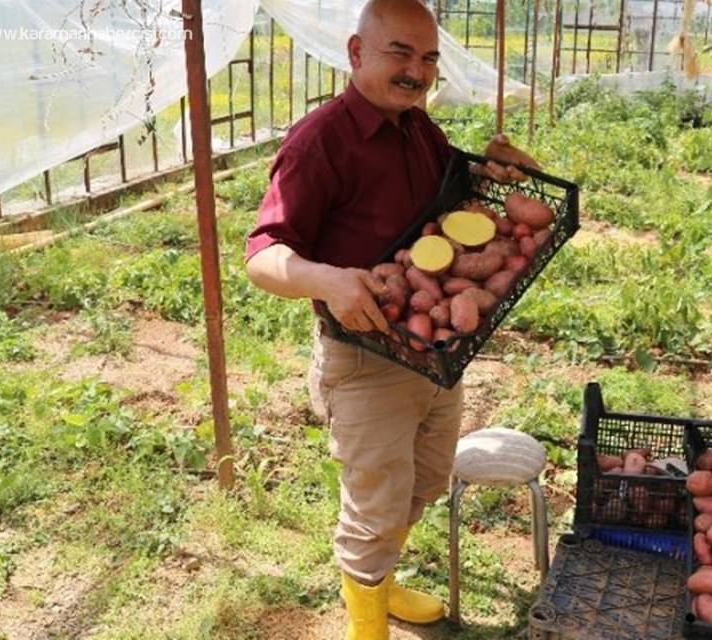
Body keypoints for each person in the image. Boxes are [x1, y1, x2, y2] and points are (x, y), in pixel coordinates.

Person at [243, 0, 537, 637]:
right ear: (356, 54)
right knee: (375, 506)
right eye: (399, 53)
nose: (417, 71)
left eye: (428, 57)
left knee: (426, 479)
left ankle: (380, 581)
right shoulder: (320, 142)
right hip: (366, 359)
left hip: (433, 353)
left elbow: (444, 215)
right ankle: (366, 623)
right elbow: (262, 257)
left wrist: (488, 172)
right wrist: (325, 280)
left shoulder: (417, 128)